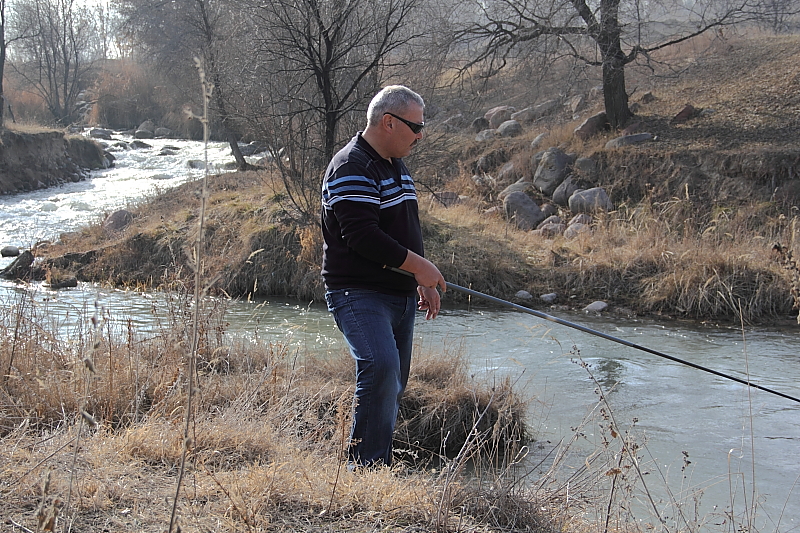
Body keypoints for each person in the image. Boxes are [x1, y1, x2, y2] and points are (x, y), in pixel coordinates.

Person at [321, 85, 446, 467]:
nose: (420, 134)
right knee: (381, 367)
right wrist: (421, 267)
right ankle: (366, 469)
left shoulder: (395, 164)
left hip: (400, 295)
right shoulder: (351, 166)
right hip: (357, 292)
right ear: (388, 122)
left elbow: (405, 229)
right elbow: (363, 238)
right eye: (415, 126)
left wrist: (420, 278)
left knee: (392, 384)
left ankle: (374, 461)